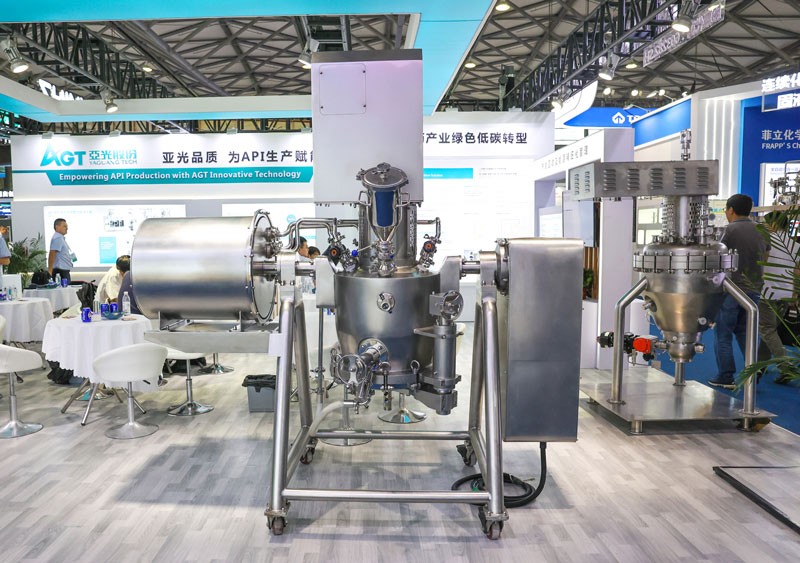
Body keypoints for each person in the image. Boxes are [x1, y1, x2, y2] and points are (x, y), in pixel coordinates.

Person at [710, 194, 769, 389]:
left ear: (731, 210)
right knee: (745, 332)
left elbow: (717, 257)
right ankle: (753, 370)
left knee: (723, 333)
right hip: (754, 289)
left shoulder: (729, 230)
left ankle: (726, 375)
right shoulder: (762, 230)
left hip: (732, 289)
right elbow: (765, 257)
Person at [758, 211, 797, 384]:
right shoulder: (793, 244)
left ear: (773, 224)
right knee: (770, 332)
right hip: (785, 294)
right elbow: (796, 271)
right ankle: (759, 366)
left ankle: (786, 367)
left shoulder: (766, 241)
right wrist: (795, 293)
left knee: (767, 330)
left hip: (767, 292)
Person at [48, 218, 75, 283]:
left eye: (67, 226)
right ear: (57, 227)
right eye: (64, 226)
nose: (67, 228)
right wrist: (50, 272)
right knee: (64, 289)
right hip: (60, 272)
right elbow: (52, 254)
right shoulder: (57, 238)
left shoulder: (60, 238)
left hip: (63, 270)